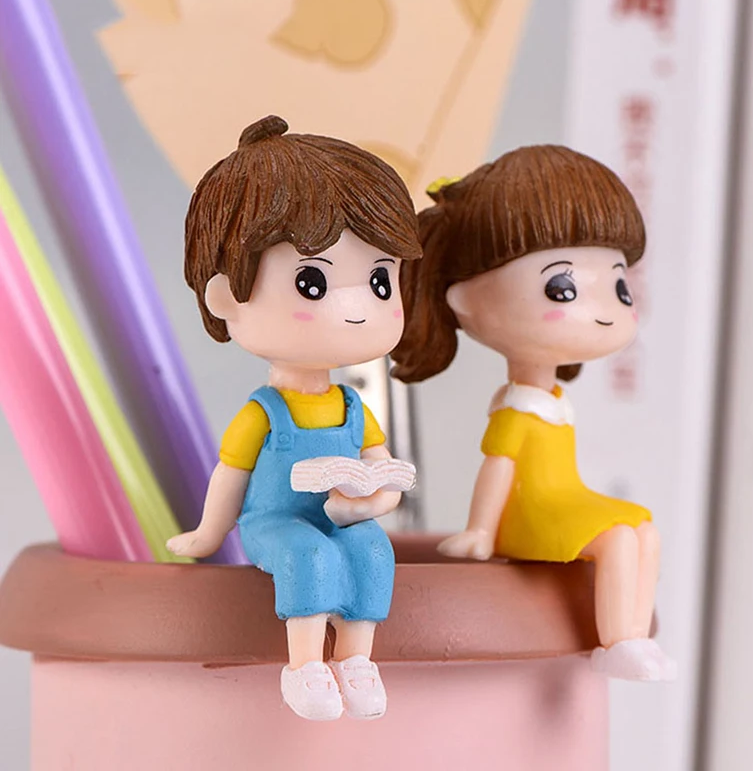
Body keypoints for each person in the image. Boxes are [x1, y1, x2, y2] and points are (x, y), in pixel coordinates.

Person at [168, 115, 422, 718]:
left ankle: (355, 660)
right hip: (274, 524)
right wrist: (209, 534)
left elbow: (381, 468)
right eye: (313, 282)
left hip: (338, 516)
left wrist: (372, 502)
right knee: (308, 556)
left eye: (379, 281)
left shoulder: (353, 407)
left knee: (373, 551)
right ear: (227, 297)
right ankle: (305, 666)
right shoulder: (265, 411)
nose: (358, 308)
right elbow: (231, 476)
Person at [392, 146, 675, 681]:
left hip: (564, 502)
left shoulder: (553, 402)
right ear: (465, 301)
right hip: (527, 518)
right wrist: (480, 531)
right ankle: (618, 640)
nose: (603, 311)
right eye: (562, 288)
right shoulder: (517, 409)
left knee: (644, 530)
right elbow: (499, 468)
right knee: (617, 539)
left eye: (618, 285)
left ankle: (636, 638)